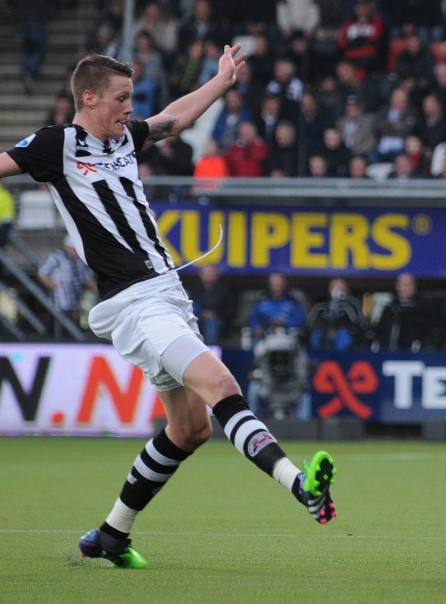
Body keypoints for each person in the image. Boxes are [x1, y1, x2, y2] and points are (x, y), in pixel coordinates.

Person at [0, 49, 336, 570]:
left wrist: (221, 81)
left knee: (191, 429)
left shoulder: (125, 138)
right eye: (121, 99)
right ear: (88, 98)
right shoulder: (57, 143)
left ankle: (111, 534)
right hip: (134, 302)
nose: (130, 110)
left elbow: (174, 119)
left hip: (166, 295)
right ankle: (300, 485)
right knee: (222, 385)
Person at [37, 236, 97, 328]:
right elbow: (42, 273)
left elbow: (87, 277)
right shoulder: (55, 257)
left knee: (75, 321)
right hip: (59, 300)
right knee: (58, 323)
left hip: (76, 299)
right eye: (74, 249)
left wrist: (98, 289)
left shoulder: (80, 260)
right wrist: (53, 285)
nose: (75, 252)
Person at [307, 278, 366, 350]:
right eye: (334, 287)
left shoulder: (352, 303)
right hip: (324, 331)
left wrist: (339, 330)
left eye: (340, 287)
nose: (337, 290)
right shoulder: (321, 305)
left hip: (344, 332)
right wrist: (326, 331)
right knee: (316, 335)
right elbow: (312, 322)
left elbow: (358, 322)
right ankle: (317, 356)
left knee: (343, 337)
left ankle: (341, 357)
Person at [188, 264, 236, 345]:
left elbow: (231, 310)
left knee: (211, 323)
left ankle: (210, 348)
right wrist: (201, 313)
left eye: (211, 272)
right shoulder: (194, 289)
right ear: (201, 274)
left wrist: (214, 314)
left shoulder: (225, 290)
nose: (209, 274)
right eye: (206, 272)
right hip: (197, 318)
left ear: (217, 275)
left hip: (218, 320)